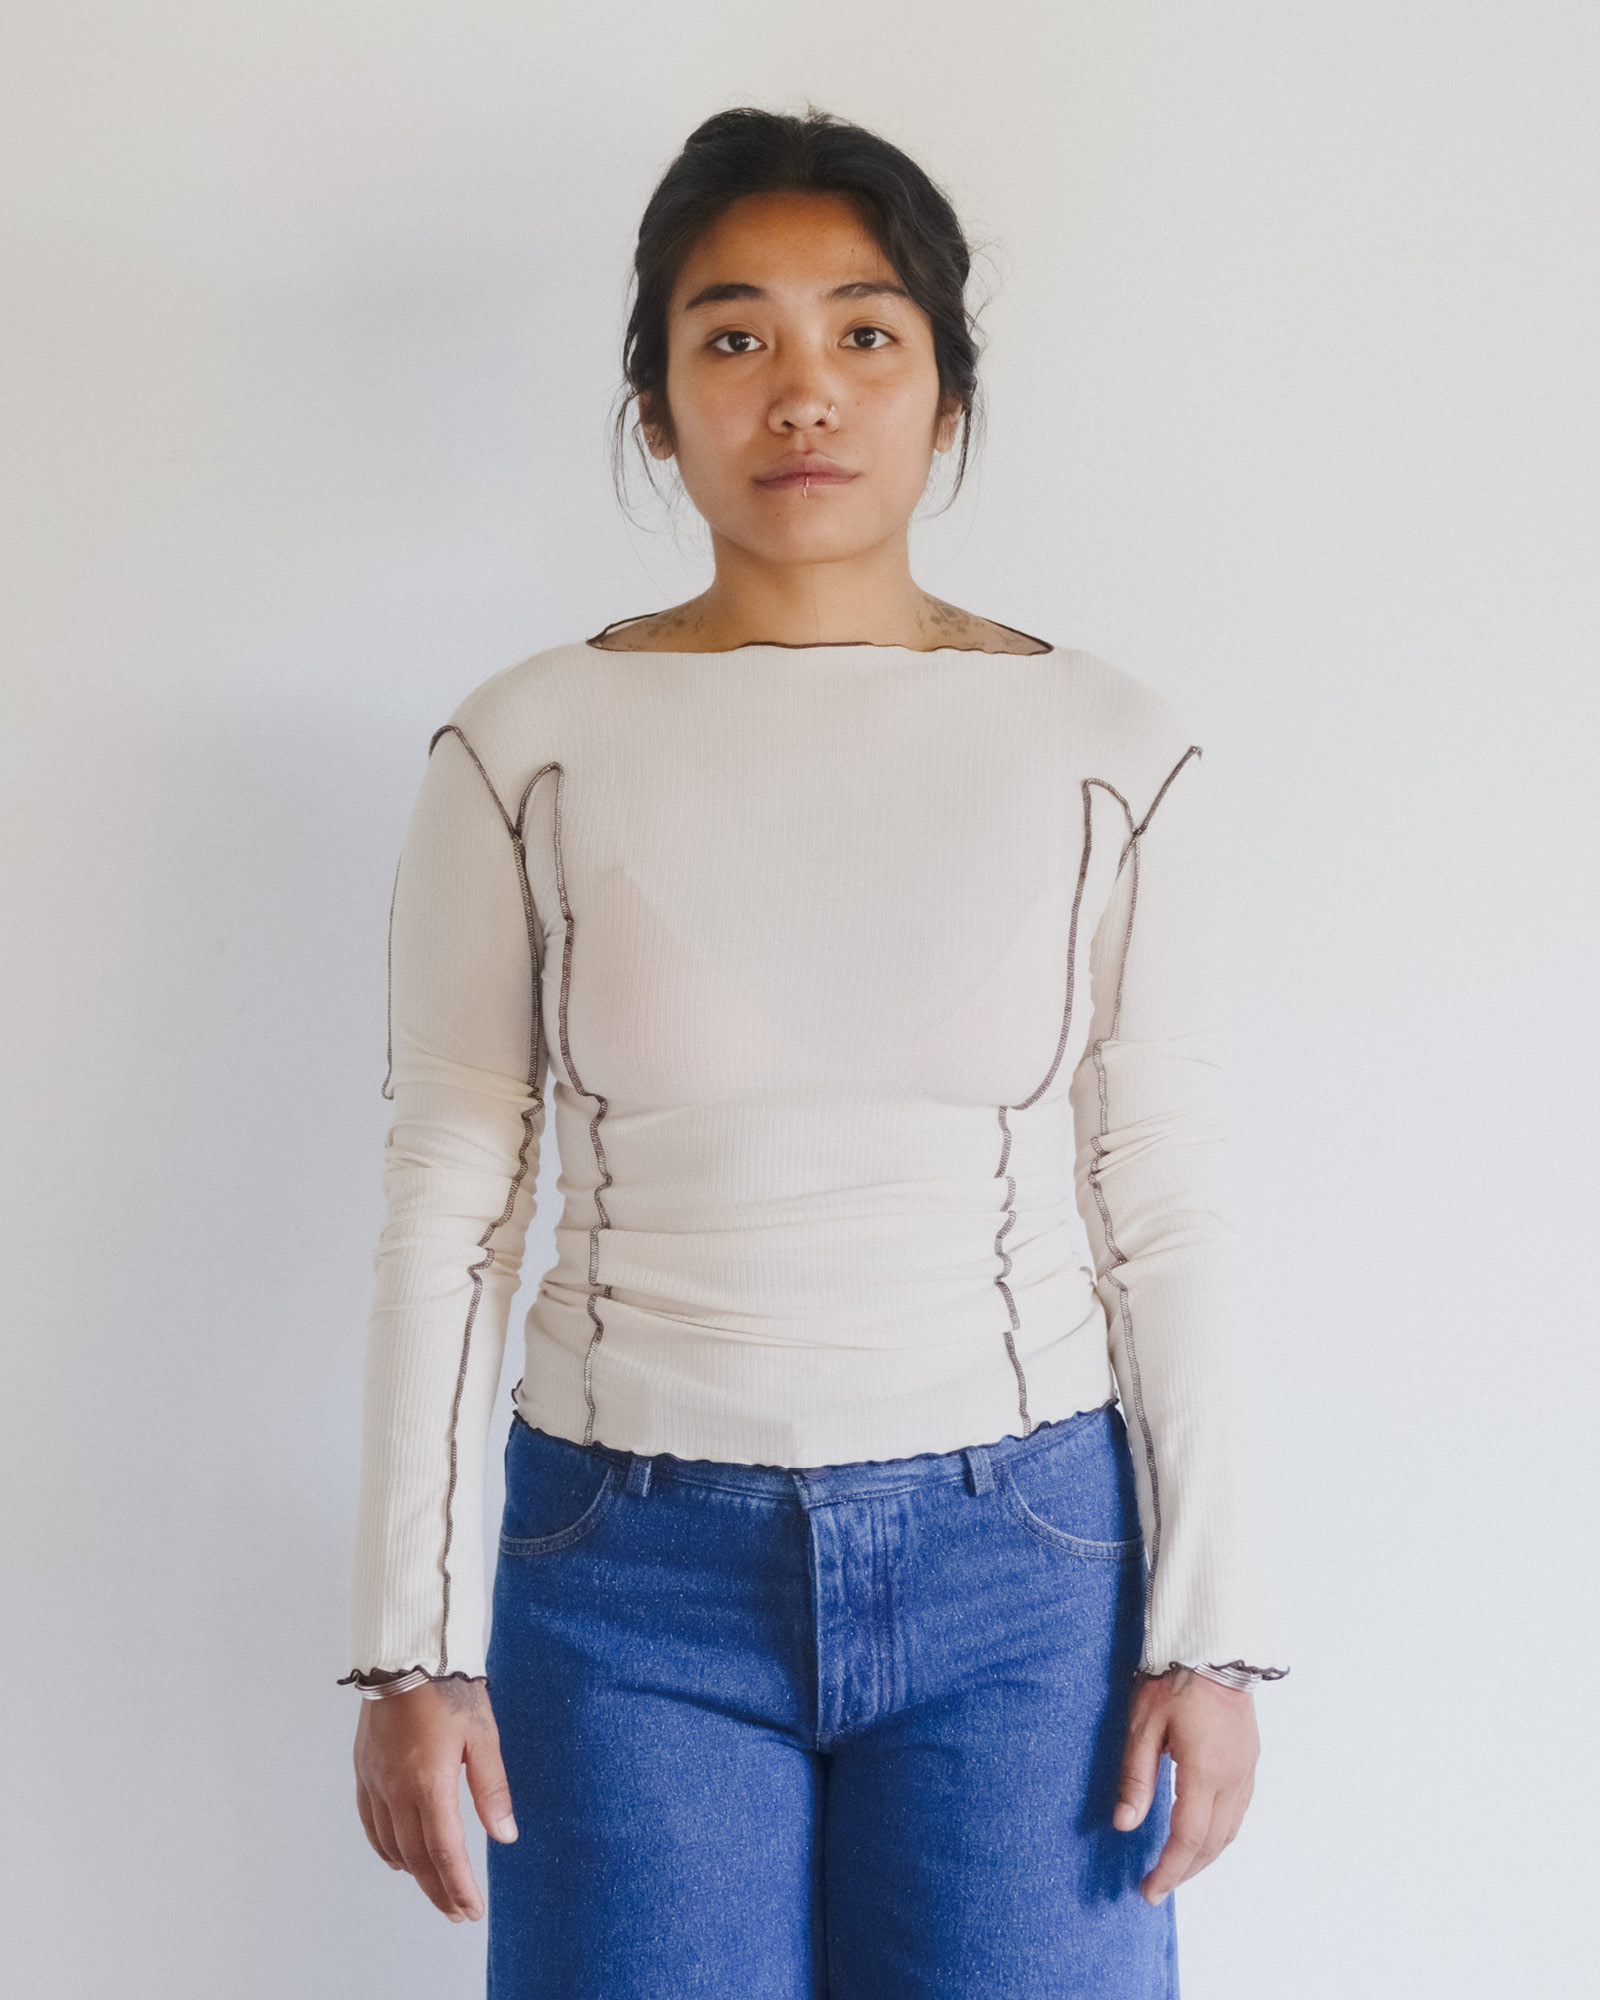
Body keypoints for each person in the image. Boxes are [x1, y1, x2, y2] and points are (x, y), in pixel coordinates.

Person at [341, 106, 1286, 1999]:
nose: (802, 392)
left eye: (865, 331)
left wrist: (1214, 1632)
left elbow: (1160, 1197)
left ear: (947, 395)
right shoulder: (523, 746)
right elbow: (452, 1198)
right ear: (654, 405)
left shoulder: (1111, 748)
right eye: (734, 335)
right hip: (623, 1576)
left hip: (1029, 1574)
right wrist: (409, 1644)